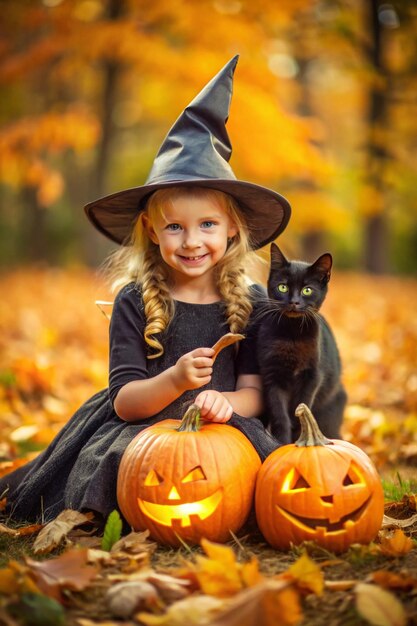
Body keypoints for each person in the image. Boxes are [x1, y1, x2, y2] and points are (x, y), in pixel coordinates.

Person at [0, 55, 291, 524]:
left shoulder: (253, 303)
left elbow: (255, 391)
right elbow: (124, 399)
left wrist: (226, 402)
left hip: (222, 432)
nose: (192, 241)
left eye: (208, 224)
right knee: (113, 467)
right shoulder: (135, 299)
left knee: (265, 477)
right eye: (174, 226)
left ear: (233, 228)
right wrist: (175, 379)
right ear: (151, 230)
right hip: (142, 430)